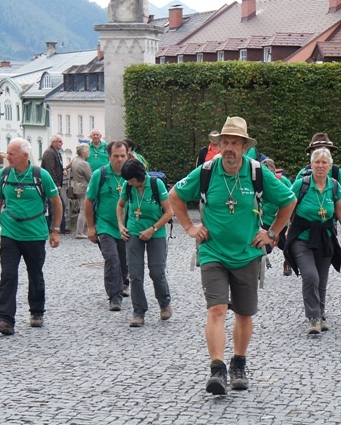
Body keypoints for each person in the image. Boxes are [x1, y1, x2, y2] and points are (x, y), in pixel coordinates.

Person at [169, 116, 296, 395]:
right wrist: (190, 227)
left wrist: (272, 233)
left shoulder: (257, 172)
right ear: (218, 146)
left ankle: (239, 364)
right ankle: (217, 370)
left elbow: (289, 200)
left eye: (234, 143)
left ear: (244, 147)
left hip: (247, 253)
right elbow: (175, 196)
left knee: (243, 313)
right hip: (212, 251)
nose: (228, 148)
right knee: (216, 309)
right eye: (224, 142)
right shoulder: (206, 171)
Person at [0, 138, 62, 335]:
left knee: (35, 274)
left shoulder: (40, 175)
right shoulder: (4, 175)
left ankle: (37, 311)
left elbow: (56, 202)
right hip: (10, 232)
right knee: (8, 274)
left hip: (35, 234)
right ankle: (5, 320)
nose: (7, 157)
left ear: (25, 156)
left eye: (11, 154)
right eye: (7, 153)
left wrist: (55, 230)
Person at [286, 148, 341, 334]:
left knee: (322, 279)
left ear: (330, 166)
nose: (320, 166)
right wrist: (281, 229)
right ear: (311, 165)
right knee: (311, 276)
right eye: (317, 162)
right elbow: (286, 206)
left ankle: (321, 314)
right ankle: (313, 317)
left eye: (324, 162)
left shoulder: (334, 186)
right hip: (301, 237)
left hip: (325, 237)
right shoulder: (301, 185)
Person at [117, 158, 174, 327]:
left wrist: (152, 229)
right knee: (135, 274)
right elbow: (120, 206)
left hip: (156, 232)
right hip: (133, 232)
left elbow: (169, 212)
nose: (130, 183)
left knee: (157, 272)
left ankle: (164, 303)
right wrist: (120, 225)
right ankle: (138, 312)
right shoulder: (128, 186)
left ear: (140, 176)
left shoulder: (156, 185)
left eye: (132, 180)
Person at [85, 140, 131, 311]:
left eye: (123, 156)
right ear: (109, 156)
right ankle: (115, 296)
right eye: (116, 156)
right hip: (106, 225)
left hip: (127, 226)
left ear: (128, 156)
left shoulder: (131, 174)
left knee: (125, 262)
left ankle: (124, 282)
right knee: (112, 259)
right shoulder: (100, 175)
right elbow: (88, 201)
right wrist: (91, 227)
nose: (120, 159)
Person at [296, 133, 341, 211]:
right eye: (318, 150)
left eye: (326, 150)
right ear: (311, 153)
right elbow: (291, 201)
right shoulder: (303, 173)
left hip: (331, 217)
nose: (322, 153)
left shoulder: (336, 171)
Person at [260, 158, 292, 275]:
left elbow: (291, 198)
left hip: (283, 218)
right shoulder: (259, 182)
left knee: (286, 244)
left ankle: (288, 262)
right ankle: (259, 265)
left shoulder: (284, 181)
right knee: (261, 243)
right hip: (266, 218)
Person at [41, 134, 69, 234]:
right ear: (53, 143)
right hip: (51, 184)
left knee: (58, 205)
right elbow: (50, 170)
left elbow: (57, 166)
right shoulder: (50, 153)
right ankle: (54, 227)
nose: (62, 143)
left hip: (55, 183)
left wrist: (63, 169)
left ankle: (59, 227)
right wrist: (56, 184)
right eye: (60, 141)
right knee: (55, 205)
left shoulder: (55, 152)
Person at [71, 143, 93, 239]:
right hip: (84, 187)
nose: (89, 152)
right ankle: (79, 232)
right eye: (87, 151)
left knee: (82, 209)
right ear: (83, 153)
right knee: (83, 210)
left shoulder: (75, 160)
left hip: (76, 186)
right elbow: (90, 177)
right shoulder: (84, 163)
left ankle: (82, 230)